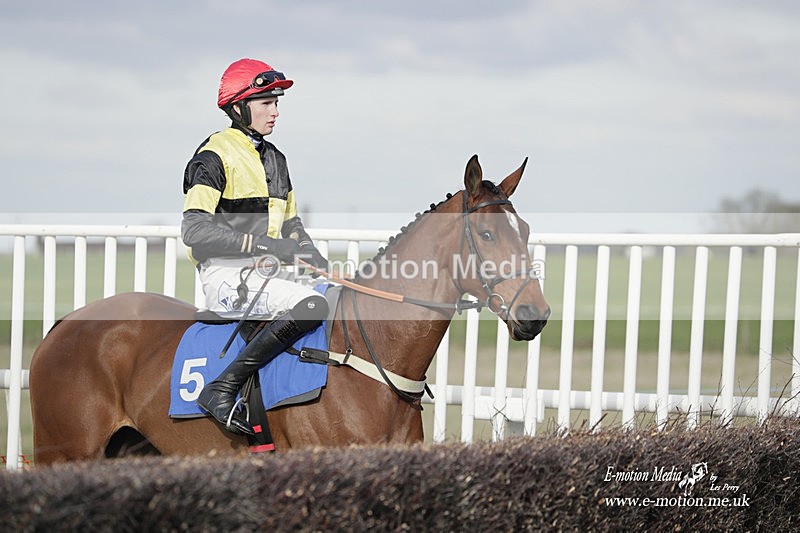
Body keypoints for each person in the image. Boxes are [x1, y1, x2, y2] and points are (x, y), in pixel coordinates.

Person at [181, 58, 329, 436]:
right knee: (310, 305)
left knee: (331, 294)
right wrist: (263, 244)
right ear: (238, 107)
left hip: (267, 276)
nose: (275, 111)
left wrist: (311, 254)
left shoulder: (276, 159)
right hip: (225, 277)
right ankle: (222, 389)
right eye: (266, 102)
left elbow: (292, 225)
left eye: (277, 102)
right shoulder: (213, 156)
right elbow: (195, 229)